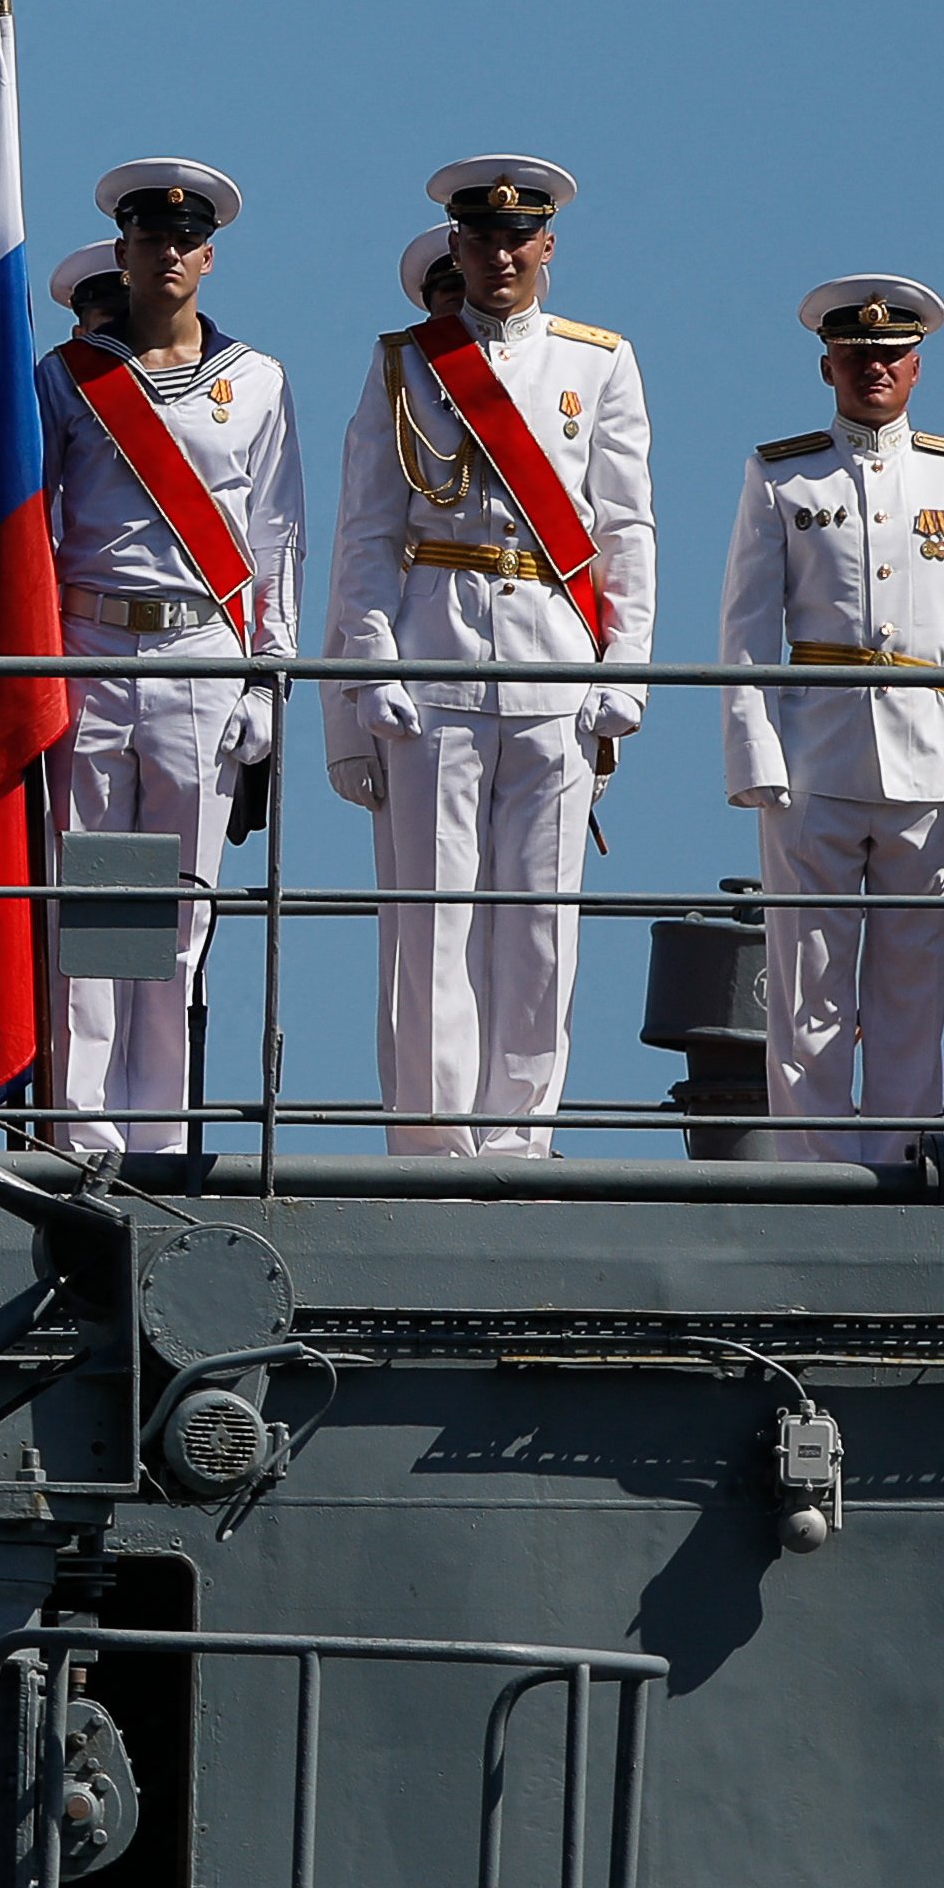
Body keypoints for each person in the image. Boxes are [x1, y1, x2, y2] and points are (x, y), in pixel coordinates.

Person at [326, 155, 653, 1157]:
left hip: (555, 657)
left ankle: (519, 1137)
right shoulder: (406, 362)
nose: (500, 254)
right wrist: (372, 659)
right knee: (431, 920)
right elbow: (368, 530)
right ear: (455, 248)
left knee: (541, 918)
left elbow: (626, 525)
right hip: (436, 657)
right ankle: (432, 1141)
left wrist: (623, 666)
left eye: (518, 238)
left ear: (547, 245)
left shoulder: (598, 362)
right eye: (480, 239)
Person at [714, 274, 944, 1168]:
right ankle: (813, 1164)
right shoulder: (783, 473)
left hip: (930, 758)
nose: (873, 368)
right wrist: (752, 752)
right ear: (828, 366)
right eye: (856, 355)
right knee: (808, 983)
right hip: (812, 756)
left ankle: (900, 1152)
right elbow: (742, 630)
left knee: (914, 977)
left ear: (917, 368)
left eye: (889, 356)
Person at [30, 158, 298, 1155]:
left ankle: (158, 1121)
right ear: (124, 252)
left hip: (201, 647)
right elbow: (29, 524)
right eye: (150, 239)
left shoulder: (257, 379)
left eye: (185, 240)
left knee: (181, 908)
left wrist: (272, 671)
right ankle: (88, 1118)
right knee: (101, 900)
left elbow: (277, 535)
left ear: (208, 256)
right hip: (93, 642)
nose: (168, 253)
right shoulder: (69, 377)